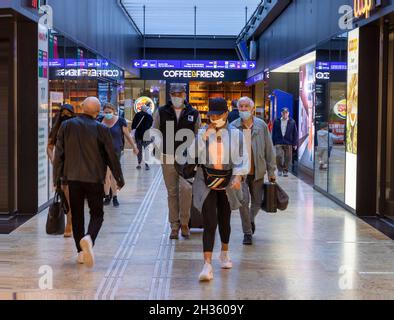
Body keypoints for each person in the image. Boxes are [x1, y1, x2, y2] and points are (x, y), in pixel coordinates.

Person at [53, 97, 125, 268]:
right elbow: (111, 156)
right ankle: (89, 238)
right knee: (97, 214)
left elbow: (59, 154)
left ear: (82, 107)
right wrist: (119, 178)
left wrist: (57, 177)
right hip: (94, 178)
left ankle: (80, 252)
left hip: (73, 178)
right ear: (98, 112)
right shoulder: (101, 129)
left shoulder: (66, 126)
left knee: (77, 214)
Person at [191, 98, 249, 282]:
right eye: (211, 115)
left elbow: (242, 158)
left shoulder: (236, 134)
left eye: (217, 115)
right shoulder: (202, 132)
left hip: (227, 181)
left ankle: (224, 252)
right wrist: (204, 137)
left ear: (225, 114)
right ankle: (207, 264)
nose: (213, 118)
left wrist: (239, 176)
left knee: (224, 219)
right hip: (206, 180)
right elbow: (191, 155)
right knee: (209, 221)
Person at [153, 83, 201, 240]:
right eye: (174, 94)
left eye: (180, 94)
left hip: (187, 159)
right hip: (167, 157)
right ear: (170, 95)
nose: (177, 97)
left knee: (186, 189)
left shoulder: (193, 112)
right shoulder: (162, 111)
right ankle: (174, 226)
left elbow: (197, 134)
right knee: (172, 192)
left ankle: (185, 222)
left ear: (185, 95)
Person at [230, 97, 276, 245]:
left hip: (258, 171)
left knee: (257, 202)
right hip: (240, 173)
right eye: (241, 106)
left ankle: (250, 220)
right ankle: (247, 233)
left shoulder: (261, 126)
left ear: (252, 108)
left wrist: (271, 171)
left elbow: (269, 149)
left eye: (246, 106)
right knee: (243, 202)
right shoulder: (233, 127)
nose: (243, 109)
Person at [101, 103, 138, 207]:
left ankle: (115, 197)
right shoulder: (100, 121)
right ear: (103, 112)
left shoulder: (120, 121)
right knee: (105, 174)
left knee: (112, 174)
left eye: (110, 112)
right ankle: (107, 195)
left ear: (114, 111)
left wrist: (134, 147)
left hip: (116, 151)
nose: (108, 114)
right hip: (102, 151)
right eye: (106, 112)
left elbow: (127, 135)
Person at [47, 104, 75, 238]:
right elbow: (49, 146)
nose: (65, 116)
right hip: (61, 167)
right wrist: (53, 160)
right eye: (63, 113)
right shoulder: (56, 128)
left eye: (68, 114)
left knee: (71, 194)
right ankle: (69, 223)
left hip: (75, 165)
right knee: (66, 194)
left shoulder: (76, 128)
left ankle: (71, 222)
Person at [272, 108, 298, 177]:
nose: (285, 114)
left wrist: (295, 143)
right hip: (279, 141)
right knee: (278, 156)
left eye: (286, 113)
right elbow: (273, 132)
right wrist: (273, 142)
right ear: (281, 113)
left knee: (288, 157)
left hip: (288, 142)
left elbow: (295, 133)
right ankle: (280, 169)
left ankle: (285, 170)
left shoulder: (292, 122)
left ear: (288, 113)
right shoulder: (276, 121)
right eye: (283, 113)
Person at [132, 104, 153, 171]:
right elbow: (151, 126)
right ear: (146, 109)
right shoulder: (149, 116)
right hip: (146, 136)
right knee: (146, 150)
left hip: (138, 136)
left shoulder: (137, 115)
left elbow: (133, 126)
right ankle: (147, 164)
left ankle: (139, 163)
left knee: (139, 150)